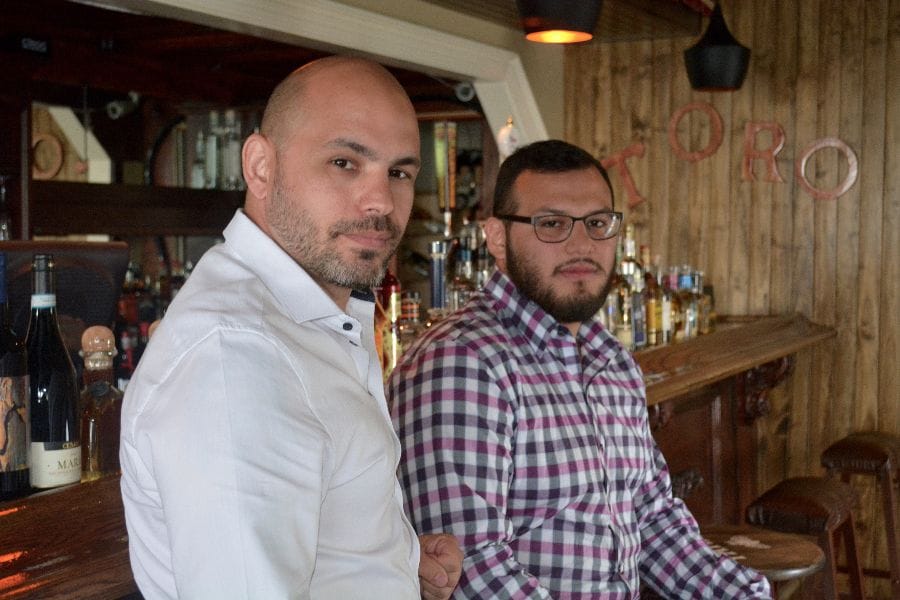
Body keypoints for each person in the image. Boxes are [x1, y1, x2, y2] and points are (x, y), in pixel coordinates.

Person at [120, 56, 461, 599]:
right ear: (259, 165)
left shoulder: (307, 322)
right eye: (345, 162)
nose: (379, 201)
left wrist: (390, 559)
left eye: (398, 172)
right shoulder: (239, 356)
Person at [388, 140, 772, 598]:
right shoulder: (461, 364)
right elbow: (475, 568)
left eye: (597, 223)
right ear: (496, 239)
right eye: (551, 224)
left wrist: (747, 594)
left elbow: (651, 519)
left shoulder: (610, 360)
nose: (581, 244)